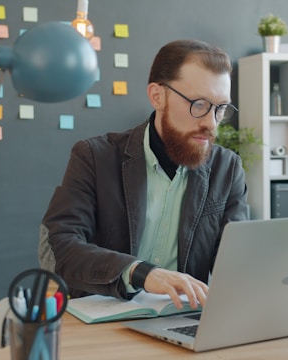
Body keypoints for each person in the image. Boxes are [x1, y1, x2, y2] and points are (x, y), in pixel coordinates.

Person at [39, 39, 248, 310]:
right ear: (157, 96)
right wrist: (141, 273)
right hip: (105, 320)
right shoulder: (93, 157)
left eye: (220, 109)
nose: (210, 123)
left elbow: (236, 263)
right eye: (199, 104)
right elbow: (58, 247)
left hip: (182, 321)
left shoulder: (227, 169)